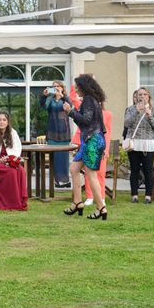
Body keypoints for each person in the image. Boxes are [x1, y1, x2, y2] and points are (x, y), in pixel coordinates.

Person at [62, 74, 108, 220]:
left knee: (91, 175)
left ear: (84, 87)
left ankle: (101, 207)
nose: (76, 90)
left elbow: (86, 120)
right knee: (74, 168)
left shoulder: (89, 100)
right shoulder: (92, 100)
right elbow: (83, 122)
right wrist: (68, 107)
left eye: (77, 87)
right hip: (89, 140)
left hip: (93, 141)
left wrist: (70, 112)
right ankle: (77, 202)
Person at [124, 87, 154, 204]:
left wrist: (149, 116)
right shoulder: (130, 109)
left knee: (148, 170)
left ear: (148, 96)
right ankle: (134, 195)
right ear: (136, 96)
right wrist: (137, 111)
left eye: (144, 94)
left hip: (148, 144)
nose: (142, 96)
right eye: (139, 94)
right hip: (134, 143)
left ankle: (148, 196)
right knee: (134, 170)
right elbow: (127, 124)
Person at [39, 81, 72, 188]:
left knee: (64, 158)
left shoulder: (65, 98)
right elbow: (44, 106)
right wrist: (44, 96)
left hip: (64, 133)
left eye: (58, 86)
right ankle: (57, 181)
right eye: (54, 87)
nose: (56, 88)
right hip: (52, 132)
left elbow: (70, 107)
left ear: (62, 88)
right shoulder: (50, 99)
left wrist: (62, 96)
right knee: (55, 159)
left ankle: (65, 180)